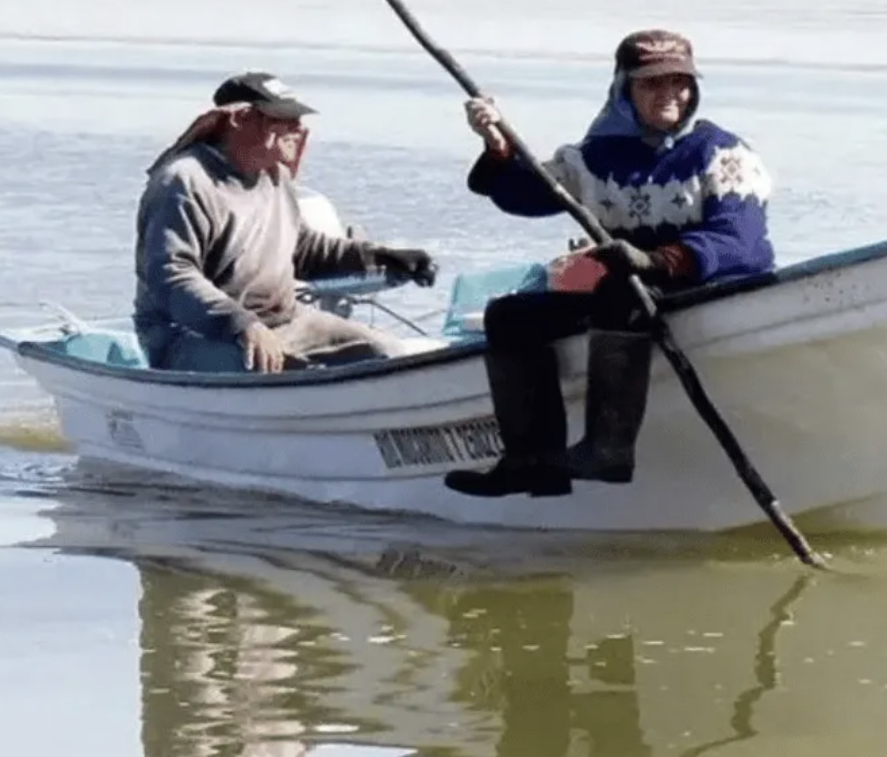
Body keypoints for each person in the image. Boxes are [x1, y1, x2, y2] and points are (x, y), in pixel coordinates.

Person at [443, 29, 777, 498]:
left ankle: (608, 449)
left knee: (619, 291)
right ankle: (532, 462)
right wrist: (498, 146)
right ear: (624, 89)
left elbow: (740, 241)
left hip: (706, 289)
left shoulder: (723, 153)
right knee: (510, 316)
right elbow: (526, 193)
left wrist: (658, 260)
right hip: (627, 300)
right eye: (651, 84)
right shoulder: (595, 158)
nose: (669, 94)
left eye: (679, 82)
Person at [132, 70, 439, 373]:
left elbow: (303, 250)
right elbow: (171, 276)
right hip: (191, 335)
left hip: (284, 323)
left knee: (387, 355)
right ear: (240, 119)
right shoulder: (184, 182)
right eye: (284, 118)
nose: (297, 127)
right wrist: (242, 324)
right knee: (288, 372)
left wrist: (384, 258)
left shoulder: (274, 175)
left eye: (298, 119)